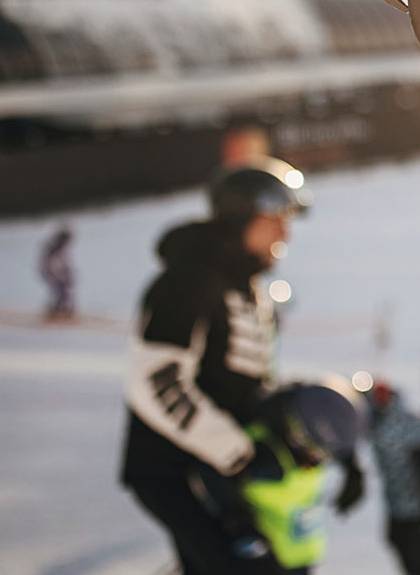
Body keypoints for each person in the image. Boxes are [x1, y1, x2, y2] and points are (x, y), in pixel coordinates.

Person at [120, 156, 311, 574]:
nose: (286, 232)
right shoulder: (188, 281)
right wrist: (236, 451)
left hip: (219, 472)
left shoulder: (248, 288)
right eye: (276, 217)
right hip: (175, 468)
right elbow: (156, 381)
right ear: (241, 217)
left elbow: (242, 381)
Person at [231, 380, 366, 574]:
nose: (316, 459)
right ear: (298, 434)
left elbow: (338, 423)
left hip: (301, 556)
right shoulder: (265, 458)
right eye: (316, 450)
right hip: (269, 561)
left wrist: (353, 470)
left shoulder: (307, 448)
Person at [367, 381, 420, 575]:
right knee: (399, 536)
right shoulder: (386, 420)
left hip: (413, 494)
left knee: (408, 537)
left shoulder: (394, 423)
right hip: (401, 495)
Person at [38, 223, 76, 319]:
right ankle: (56, 310)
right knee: (60, 290)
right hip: (52, 272)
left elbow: (64, 262)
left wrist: (68, 272)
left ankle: (62, 309)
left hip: (58, 272)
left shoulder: (61, 248)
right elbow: (50, 263)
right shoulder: (54, 248)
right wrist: (56, 274)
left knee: (63, 290)